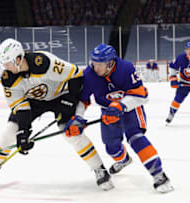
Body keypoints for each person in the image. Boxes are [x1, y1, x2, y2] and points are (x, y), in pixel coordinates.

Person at [0, 38, 114, 190]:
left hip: (61, 96)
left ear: (18, 59)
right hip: (34, 102)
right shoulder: (9, 79)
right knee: (10, 132)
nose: (5, 68)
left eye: (7, 63)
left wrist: (69, 102)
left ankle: (100, 169)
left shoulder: (44, 63)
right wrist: (23, 131)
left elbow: (76, 77)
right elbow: (20, 106)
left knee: (71, 133)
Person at [65, 44, 174, 193]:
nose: (95, 67)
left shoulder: (126, 68)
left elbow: (142, 95)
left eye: (99, 64)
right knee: (111, 147)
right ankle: (123, 160)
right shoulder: (90, 74)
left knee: (135, 138)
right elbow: (83, 100)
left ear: (110, 63)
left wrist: (121, 105)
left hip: (130, 108)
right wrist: (78, 117)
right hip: (107, 112)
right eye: (93, 63)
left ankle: (159, 175)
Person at [165, 41, 190, 124]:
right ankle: (171, 113)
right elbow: (173, 67)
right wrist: (173, 80)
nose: (189, 51)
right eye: (188, 49)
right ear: (185, 50)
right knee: (178, 99)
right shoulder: (181, 58)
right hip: (184, 82)